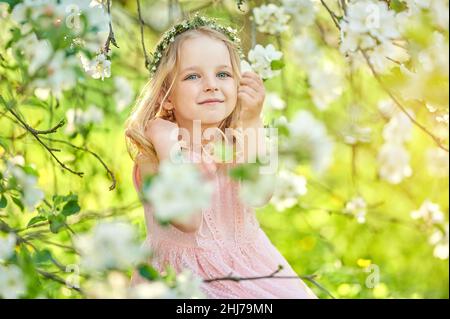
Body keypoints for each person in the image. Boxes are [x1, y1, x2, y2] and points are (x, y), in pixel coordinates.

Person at [124, 14, 317, 299]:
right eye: (193, 76)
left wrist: (253, 122)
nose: (212, 85)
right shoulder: (153, 154)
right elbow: (187, 219)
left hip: (251, 267)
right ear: (166, 93)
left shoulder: (238, 140)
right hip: (184, 281)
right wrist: (168, 147)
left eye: (223, 74)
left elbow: (260, 194)